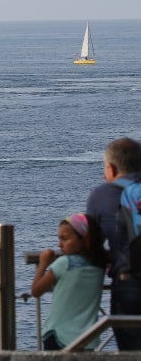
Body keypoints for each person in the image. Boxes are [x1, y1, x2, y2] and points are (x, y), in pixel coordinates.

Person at [86, 137, 141, 350]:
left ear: (111, 168)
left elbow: (92, 243)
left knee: (131, 351)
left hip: (129, 286)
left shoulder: (101, 195)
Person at [30, 213, 107, 350]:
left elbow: (36, 290)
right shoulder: (100, 265)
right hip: (88, 338)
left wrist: (43, 263)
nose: (60, 244)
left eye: (65, 239)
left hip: (59, 336)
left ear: (84, 240)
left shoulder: (64, 263)